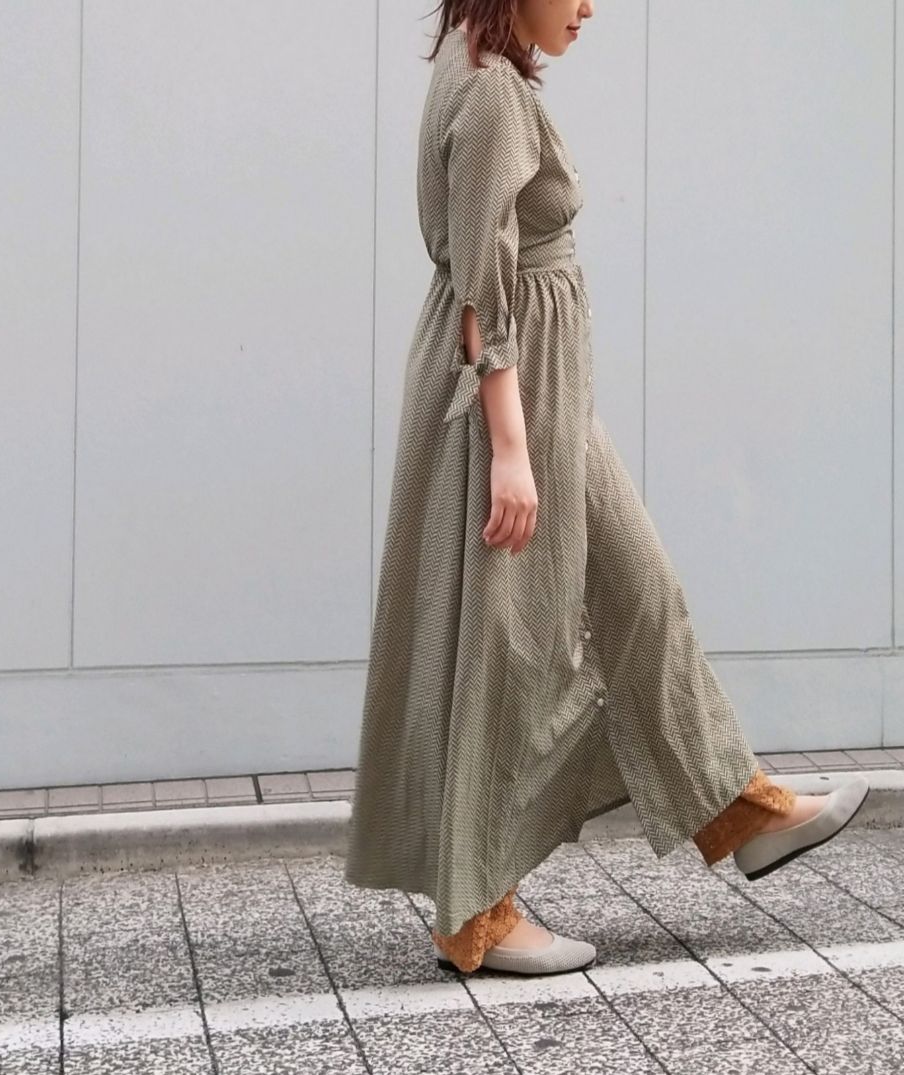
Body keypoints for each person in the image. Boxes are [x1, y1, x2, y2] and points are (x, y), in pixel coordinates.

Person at [342, 0, 869, 977]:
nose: (589, 6)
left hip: (543, 390)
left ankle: (737, 807)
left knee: (640, 590)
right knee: (512, 637)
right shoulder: (490, 93)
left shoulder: (475, 59)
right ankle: (475, 911)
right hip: (510, 392)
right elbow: (480, 288)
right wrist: (509, 447)